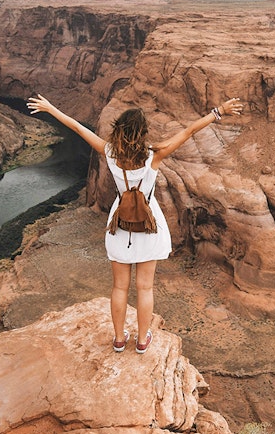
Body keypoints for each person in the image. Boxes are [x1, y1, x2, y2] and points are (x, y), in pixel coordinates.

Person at [26, 93, 244, 353]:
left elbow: (77, 127)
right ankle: (142, 341)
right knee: (145, 287)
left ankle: (119, 339)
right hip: (149, 228)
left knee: (119, 286)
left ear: (119, 130)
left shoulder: (109, 152)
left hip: (120, 228)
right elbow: (189, 131)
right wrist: (218, 111)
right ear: (142, 133)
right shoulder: (155, 155)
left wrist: (51, 108)